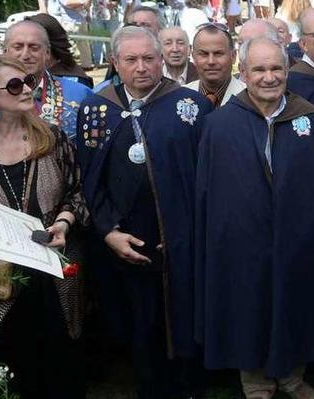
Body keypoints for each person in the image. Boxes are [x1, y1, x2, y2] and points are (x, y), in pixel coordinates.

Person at [195, 36, 314, 399]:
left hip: (298, 237)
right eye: (259, 69)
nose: (268, 77)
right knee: (250, 305)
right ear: (242, 72)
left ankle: (292, 377)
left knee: (295, 301)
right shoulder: (220, 124)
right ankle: (256, 381)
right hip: (243, 240)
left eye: (276, 68)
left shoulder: (308, 118)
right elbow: (209, 191)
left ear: (287, 71)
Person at [76, 26, 212, 399]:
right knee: (140, 322)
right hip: (125, 239)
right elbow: (89, 181)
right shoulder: (97, 109)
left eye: (149, 58)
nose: (141, 68)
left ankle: (191, 384)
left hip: (181, 238)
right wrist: (107, 231)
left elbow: (208, 177)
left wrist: (188, 230)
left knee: (184, 315)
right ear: (116, 63)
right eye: (131, 60)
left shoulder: (190, 106)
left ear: (162, 60)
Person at [0, 56, 88, 399]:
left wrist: (63, 222)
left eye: (28, 80)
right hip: (1, 282)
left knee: (62, 367)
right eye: (15, 85)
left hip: (55, 273)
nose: (28, 89)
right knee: (13, 369)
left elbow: (78, 192)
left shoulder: (53, 139)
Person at [3, 19, 92, 138]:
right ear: (4, 52)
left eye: (34, 48)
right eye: (18, 47)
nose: (25, 55)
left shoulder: (80, 95)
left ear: (47, 53)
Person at [26, 13, 94, 88]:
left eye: (33, 46)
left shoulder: (74, 82)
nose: (24, 52)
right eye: (18, 46)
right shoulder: (21, 79)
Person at [185, 23, 245, 107]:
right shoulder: (180, 98)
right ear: (193, 57)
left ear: (233, 56)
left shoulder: (250, 99)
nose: (211, 61)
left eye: (218, 53)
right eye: (204, 54)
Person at [53, 0, 92, 68]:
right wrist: (82, 2)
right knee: (72, 47)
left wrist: (83, 5)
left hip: (82, 19)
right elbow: (67, 3)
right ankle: (72, 68)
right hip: (70, 22)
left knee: (85, 45)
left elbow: (87, 1)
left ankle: (87, 66)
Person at [87, 0, 120, 66]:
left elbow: (117, 0)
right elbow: (87, 2)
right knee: (97, 39)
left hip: (111, 15)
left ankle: (111, 60)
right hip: (96, 17)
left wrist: (113, 3)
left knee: (111, 38)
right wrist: (87, 13)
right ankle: (97, 62)